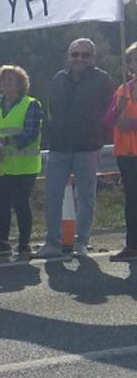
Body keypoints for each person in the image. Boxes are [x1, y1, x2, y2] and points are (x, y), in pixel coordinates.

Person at [35, 38, 113, 258]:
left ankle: (82, 242)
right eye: (75, 54)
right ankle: (53, 242)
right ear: (69, 56)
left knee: (86, 197)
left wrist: (100, 138)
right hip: (59, 148)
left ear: (92, 58)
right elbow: (51, 110)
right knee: (52, 196)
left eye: (85, 55)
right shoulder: (58, 79)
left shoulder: (102, 79)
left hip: (88, 148)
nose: (79, 59)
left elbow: (111, 112)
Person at [0, 65, 43, 257]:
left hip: (24, 167)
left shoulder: (31, 104)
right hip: (0, 166)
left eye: (10, 80)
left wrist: (7, 141)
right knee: (1, 205)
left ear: (20, 83)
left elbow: (31, 134)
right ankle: (2, 242)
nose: (6, 83)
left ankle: (24, 243)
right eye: (3, 80)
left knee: (20, 203)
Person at [104, 42, 137, 261]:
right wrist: (119, 108)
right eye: (133, 59)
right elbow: (108, 120)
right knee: (132, 200)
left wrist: (129, 120)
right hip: (126, 153)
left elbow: (128, 124)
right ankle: (132, 245)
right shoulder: (123, 89)